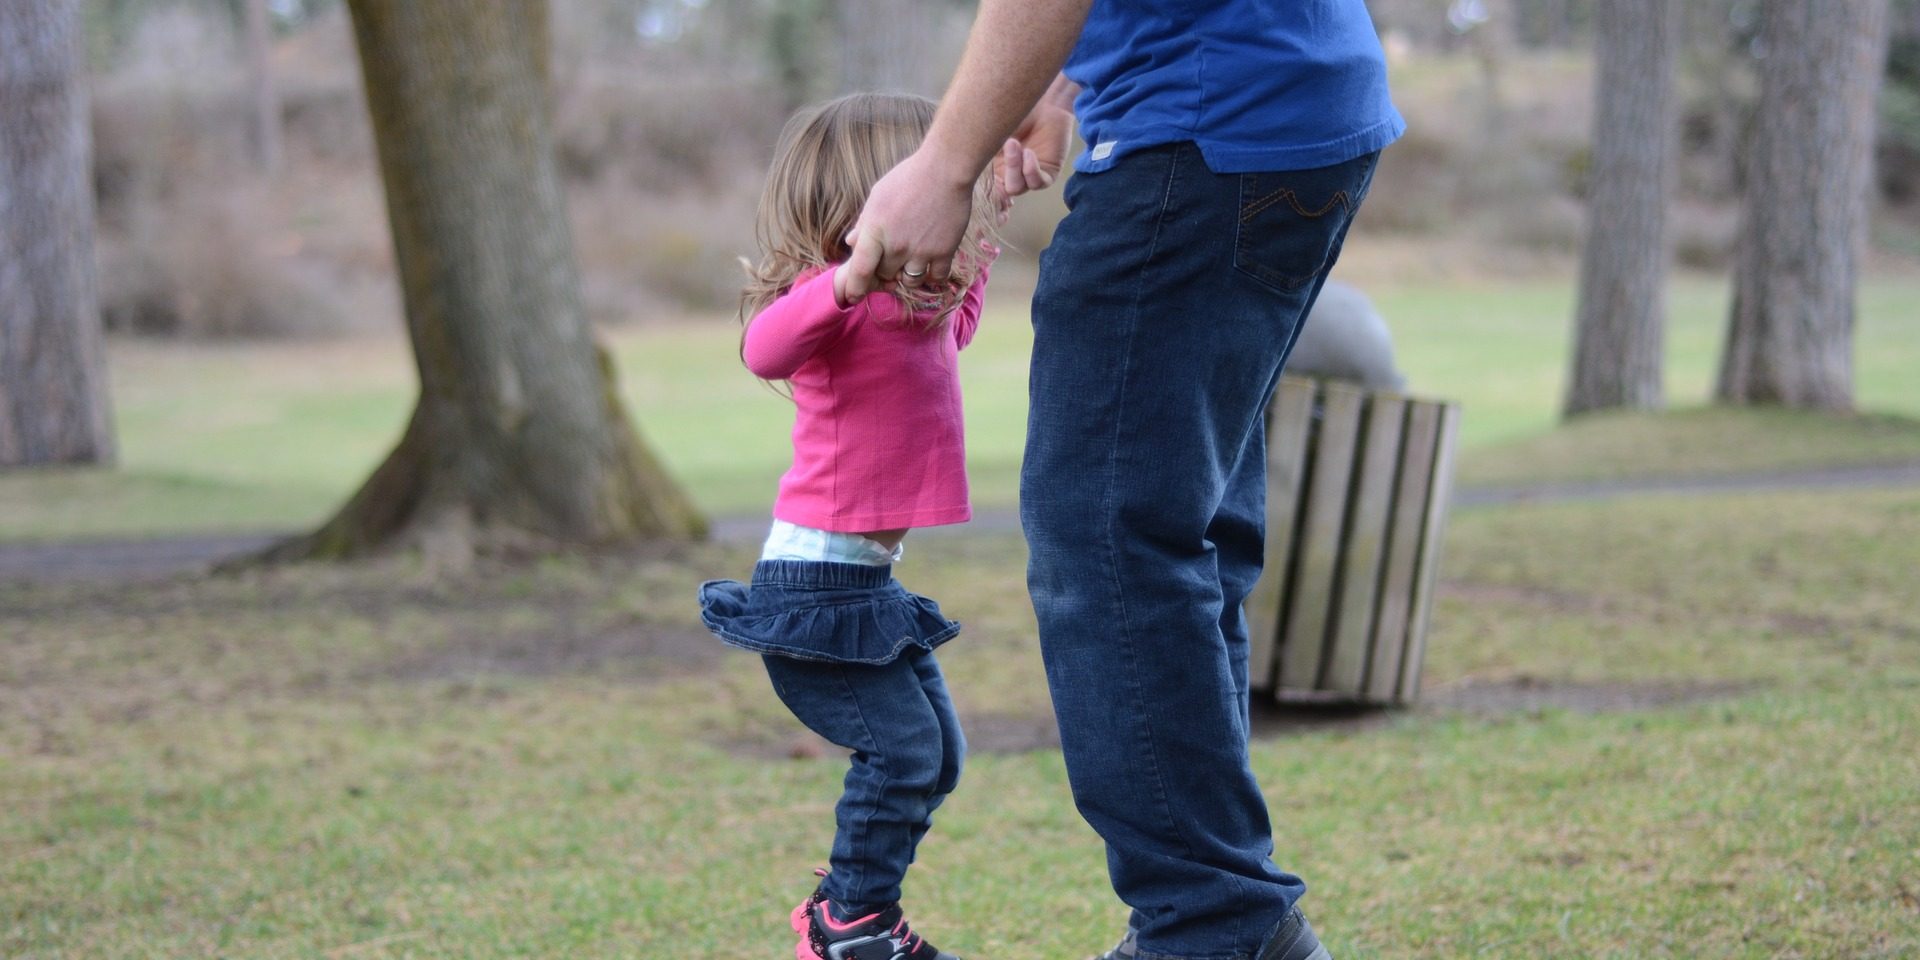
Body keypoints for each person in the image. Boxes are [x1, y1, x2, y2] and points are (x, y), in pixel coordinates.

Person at [838, 3, 1404, 959]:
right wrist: (1059, 85)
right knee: (1181, 534)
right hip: (1283, 107)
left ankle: (1213, 926)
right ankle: (1221, 918)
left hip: (1202, 127)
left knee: (1106, 539)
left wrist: (944, 165)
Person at [696, 92, 1001, 960]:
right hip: (814, 588)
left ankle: (855, 912)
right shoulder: (829, 301)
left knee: (939, 757)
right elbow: (762, 349)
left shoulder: (913, 310)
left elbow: (958, 326)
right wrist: (845, 279)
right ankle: (851, 923)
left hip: (865, 584)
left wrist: (982, 238)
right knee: (903, 756)